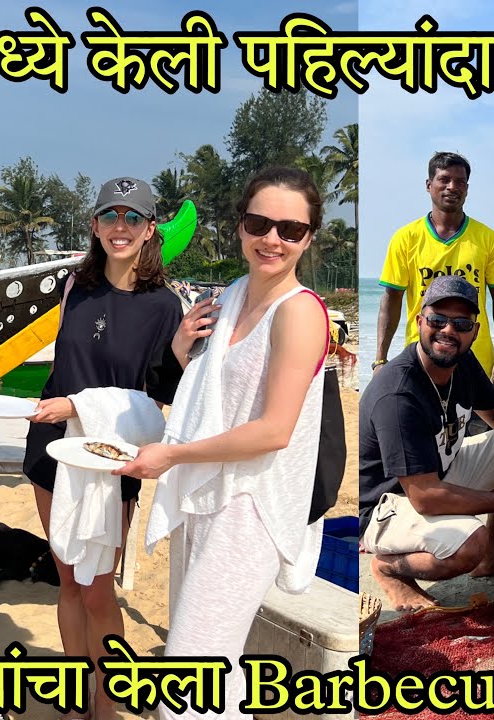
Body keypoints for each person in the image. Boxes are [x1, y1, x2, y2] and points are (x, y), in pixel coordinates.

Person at [124, 166, 331, 720]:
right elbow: (208, 390)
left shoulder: (301, 312)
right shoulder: (233, 298)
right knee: (217, 668)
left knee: (193, 670)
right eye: (260, 223)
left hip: (253, 506)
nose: (273, 239)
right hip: (210, 492)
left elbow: (274, 430)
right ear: (240, 227)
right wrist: (177, 348)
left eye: (291, 229)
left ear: (310, 238)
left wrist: (170, 454)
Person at [23, 177, 183, 720]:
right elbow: (62, 366)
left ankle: (107, 704)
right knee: (68, 579)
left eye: (132, 217)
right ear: (94, 226)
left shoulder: (165, 305)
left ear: (149, 229)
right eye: (110, 216)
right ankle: (73, 701)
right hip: (51, 445)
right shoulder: (76, 286)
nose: (121, 227)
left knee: (98, 590)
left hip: (113, 454)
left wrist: (183, 353)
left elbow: (159, 395)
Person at [360, 275, 494, 612]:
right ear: (420, 322)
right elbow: (426, 497)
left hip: (434, 475)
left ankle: (493, 558)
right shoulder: (398, 394)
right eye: (438, 320)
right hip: (386, 506)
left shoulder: (461, 363)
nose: (449, 330)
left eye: (461, 323)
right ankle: (390, 568)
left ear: (474, 332)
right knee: (469, 544)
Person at [374, 152, 494, 390]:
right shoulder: (406, 239)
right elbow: (391, 299)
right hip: (422, 358)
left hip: (476, 360)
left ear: (467, 189)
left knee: (480, 427)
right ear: (429, 185)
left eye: (460, 182)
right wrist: (380, 359)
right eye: (444, 180)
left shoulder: (487, 239)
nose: (452, 187)